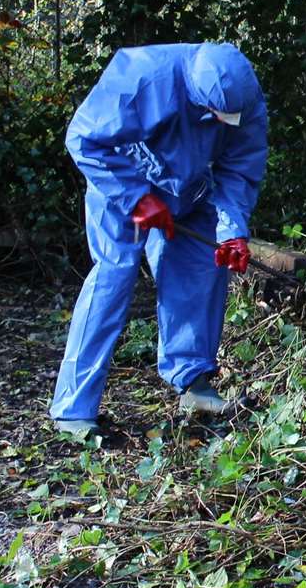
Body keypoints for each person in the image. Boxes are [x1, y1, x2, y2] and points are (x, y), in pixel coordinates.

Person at [49, 42, 268, 437]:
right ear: (197, 98)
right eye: (216, 117)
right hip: (121, 184)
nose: (225, 124)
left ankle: (193, 382)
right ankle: (73, 409)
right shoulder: (143, 76)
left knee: (204, 267)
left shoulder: (244, 98)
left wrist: (232, 229)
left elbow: (240, 168)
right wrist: (137, 197)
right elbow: (85, 139)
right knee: (114, 277)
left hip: (190, 189)